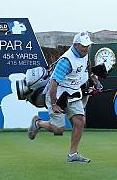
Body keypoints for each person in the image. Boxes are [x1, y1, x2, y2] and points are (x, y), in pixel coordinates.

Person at [28, 31, 101, 163]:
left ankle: (72, 155)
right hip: (57, 95)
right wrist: (54, 104)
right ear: (76, 45)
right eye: (84, 46)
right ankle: (38, 123)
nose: (86, 48)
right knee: (58, 129)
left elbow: (88, 70)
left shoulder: (85, 54)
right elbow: (53, 83)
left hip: (72, 95)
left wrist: (95, 82)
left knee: (80, 121)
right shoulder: (66, 61)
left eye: (88, 45)